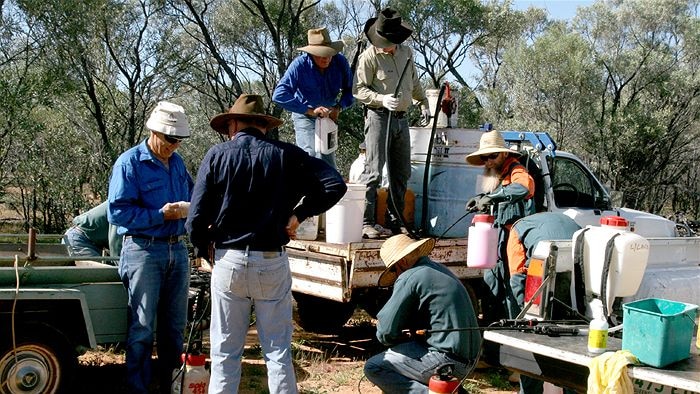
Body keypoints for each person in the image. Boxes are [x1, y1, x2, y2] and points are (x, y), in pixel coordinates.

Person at [185, 94, 346, 394]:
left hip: (229, 259)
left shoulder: (217, 155)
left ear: (232, 125)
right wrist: (299, 214)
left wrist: (203, 247)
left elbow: (194, 218)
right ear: (264, 126)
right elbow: (335, 184)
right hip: (271, 259)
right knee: (277, 353)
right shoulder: (287, 155)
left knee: (224, 355)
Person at [107, 101, 193, 394]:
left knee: (174, 327)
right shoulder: (129, 163)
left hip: (177, 250)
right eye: (170, 139)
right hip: (143, 250)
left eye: (179, 140)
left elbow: (194, 197)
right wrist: (160, 215)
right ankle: (138, 387)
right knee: (143, 327)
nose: (174, 145)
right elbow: (117, 212)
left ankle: (172, 385)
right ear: (154, 131)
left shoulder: (178, 164)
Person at [365, 234, 481, 392]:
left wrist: (396, 338)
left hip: (447, 361)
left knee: (375, 367)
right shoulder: (440, 270)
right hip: (471, 360)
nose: (396, 275)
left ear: (402, 262)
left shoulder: (410, 276)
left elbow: (385, 332)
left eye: (393, 269)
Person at [353, 8, 430, 239]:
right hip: (378, 117)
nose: (383, 45)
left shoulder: (406, 53)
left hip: (401, 119)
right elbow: (358, 90)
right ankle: (366, 222)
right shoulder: (369, 57)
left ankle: (395, 221)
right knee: (374, 172)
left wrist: (423, 101)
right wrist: (381, 99)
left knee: (401, 172)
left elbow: (414, 81)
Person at [507, 212, 581, 394]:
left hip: (542, 282)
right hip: (576, 289)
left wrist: (525, 314)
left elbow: (517, 277)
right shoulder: (570, 222)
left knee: (529, 348)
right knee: (573, 351)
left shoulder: (516, 230)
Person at [465, 130, 535, 322]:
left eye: (492, 156)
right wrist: (480, 199)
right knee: (492, 284)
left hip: (515, 242)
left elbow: (524, 187)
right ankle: (491, 332)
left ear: (504, 154)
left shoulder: (517, 170)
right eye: (484, 157)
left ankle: (515, 329)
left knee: (514, 285)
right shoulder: (495, 174)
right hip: (496, 243)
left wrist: (491, 197)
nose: (488, 161)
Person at [272, 27, 354, 167]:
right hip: (305, 115)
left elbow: (351, 90)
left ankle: (331, 187)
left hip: (328, 116)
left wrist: (339, 107)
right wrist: (309, 111)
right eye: (321, 55)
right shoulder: (299, 65)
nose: (326, 58)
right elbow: (279, 95)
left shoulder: (340, 62)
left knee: (326, 156)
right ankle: (308, 188)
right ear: (311, 53)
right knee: (310, 154)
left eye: (329, 54)